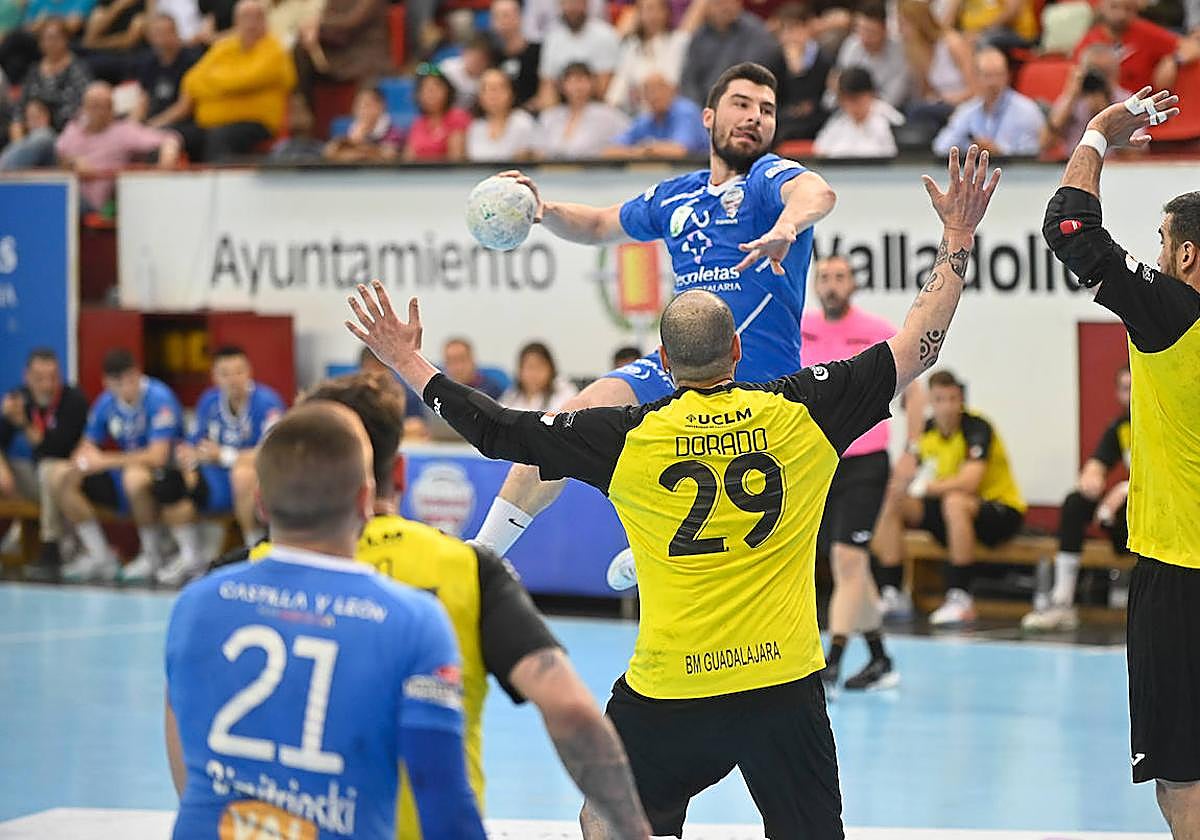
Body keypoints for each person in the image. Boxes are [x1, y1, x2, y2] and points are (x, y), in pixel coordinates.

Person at [346, 142, 1002, 836]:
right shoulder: (803, 412)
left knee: (607, 818)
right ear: (739, 353)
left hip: (671, 689)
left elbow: (499, 429)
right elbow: (920, 343)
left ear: (660, 361)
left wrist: (406, 360)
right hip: (784, 686)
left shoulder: (630, 437)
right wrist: (957, 237)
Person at [217, 373, 650, 839]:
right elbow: (571, 712)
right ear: (398, 473)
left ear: (262, 500)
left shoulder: (222, 586)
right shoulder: (465, 571)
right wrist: (631, 827)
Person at [473, 62, 837, 562]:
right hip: (680, 366)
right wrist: (543, 212)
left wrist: (788, 227)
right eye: (742, 104)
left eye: (767, 110)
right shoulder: (677, 195)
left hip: (756, 382)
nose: (756, 117)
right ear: (708, 117)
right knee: (561, 425)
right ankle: (484, 556)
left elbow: (817, 192)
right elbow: (601, 225)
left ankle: (656, 547)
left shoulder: (768, 180)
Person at [163, 402, 489, 840]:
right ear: (365, 499)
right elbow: (441, 794)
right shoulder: (414, 621)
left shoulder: (196, 605)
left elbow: (185, 756)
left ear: (260, 501)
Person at [1041, 86, 1200, 835]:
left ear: (1187, 255)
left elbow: (1070, 226)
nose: (1159, 255)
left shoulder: (1173, 312)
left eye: (1164, 244)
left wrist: (1102, 128)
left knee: (1184, 777)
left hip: (1182, 574)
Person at [802, 254, 924, 690]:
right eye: (824, 278)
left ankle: (830, 661)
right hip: (820, 461)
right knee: (853, 569)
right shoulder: (804, 328)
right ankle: (879, 657)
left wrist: (912, 450)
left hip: (866, 461)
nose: (832, 285)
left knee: (846, 560)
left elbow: (915, 392)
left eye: (840, 277)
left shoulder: (876, 332)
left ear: (853, 285)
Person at [873, 369, 1027, 625]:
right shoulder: (926, 432)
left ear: (961, 401)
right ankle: (891, 592)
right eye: (940, 400)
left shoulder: (977, 427)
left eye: (952, 399)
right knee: (892, 501)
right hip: (948, 513)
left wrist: (924, 487)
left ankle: (960, 597)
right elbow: (905, 476)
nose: (946, 407)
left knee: (955, 501)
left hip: (998, 511)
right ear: (931, 403)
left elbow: (969, 482)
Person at [48, 348, 183, 583]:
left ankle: (152, 554)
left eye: (131, 379)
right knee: (60, 475)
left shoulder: (159, 398)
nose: (126, 387)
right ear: (107, 382)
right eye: (117, 382)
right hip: (118, 474)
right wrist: (82, 461)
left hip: (163, 479)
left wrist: (105, 461)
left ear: (138, 373)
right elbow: (86, 444)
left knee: (134, 477)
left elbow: (157, 456)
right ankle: (100, 556)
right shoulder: (106, 402)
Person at [154, 346, 285, 586]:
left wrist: (223, 455)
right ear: (215, 377)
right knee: (167, 483)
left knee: (243, 474)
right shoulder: (209, 401)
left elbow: (269, 453)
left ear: (249, 373)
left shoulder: (268, 403)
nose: (233, 379)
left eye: (239, 372)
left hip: (256, 481)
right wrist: (188, 459)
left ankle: (253, 552)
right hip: (215, 479)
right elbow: (195, 443)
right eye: (225, 373)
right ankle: (191, 557)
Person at [1022, 367, 1133, 632]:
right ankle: (1062, 601)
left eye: (1134, 387)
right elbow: (1097, 463)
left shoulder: (1164, 422)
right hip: (1127, 516)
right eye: (1124, 389)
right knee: (1075, 502)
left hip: (1161, 511)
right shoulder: (1121, 427)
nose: (1130, 395)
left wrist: (1122, 490)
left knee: (1122, 503)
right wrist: (1091, 478)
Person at [0, 349, 88, 580]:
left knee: (49, 469)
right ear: (26, 376)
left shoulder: (73, 400)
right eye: (40, 379)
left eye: (52, 377)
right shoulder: (19, 398)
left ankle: (51, 545)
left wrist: (24, 424)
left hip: (68, 479)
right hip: (32, 478)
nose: (47, 385)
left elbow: (57, 450)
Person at [173, 0, 295, 162]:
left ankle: (219, 185)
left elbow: (246, 80)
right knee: (173, 135)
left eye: (257, 18)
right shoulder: (223, 48)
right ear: (236, 22)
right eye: (246, 17)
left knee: (220, 137)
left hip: (256, 123)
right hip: (210, 124)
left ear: (266, 21)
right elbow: (191, 80)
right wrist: (225, 82)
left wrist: (213, 81)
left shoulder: (275, 49)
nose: (251, 24)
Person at [54, 81, 181, 214]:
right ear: (83, 107)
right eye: (91, 106)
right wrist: (72, 162)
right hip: (64, 189)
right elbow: (57, 157)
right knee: (43, 142)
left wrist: (166, 164)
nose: (95, 112)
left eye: (101, 106)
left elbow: (170, 138)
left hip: (90, 203)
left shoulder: (124, 131)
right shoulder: (72, 129)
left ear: (111, 109)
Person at [2, 19, 91, 170]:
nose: (51, 43)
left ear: (66, 40)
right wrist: (19, 142)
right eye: (46, 38)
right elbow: (18, 112)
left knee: (43, 136)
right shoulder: (33, 72)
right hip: (29, 139)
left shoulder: (77, 71)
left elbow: (82, 112)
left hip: (62, 142)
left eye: (55, 38)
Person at [932, 47, 1044, 158]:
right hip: (976, 172)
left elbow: (1032, 154)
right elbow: (941, 147)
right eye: (987, 76)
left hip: (1016, 173)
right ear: (976, 77)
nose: (993, 83)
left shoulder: (1026, 110)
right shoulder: (968, 110)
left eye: (998, 75)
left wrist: (1000, 152)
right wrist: (971, 147)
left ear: (1008, 76)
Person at [1072, 0, 1199, 94]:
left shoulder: (1144, 32)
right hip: (1103, 110)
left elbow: (1193, 47)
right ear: (1102, 7)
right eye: (1114, 7)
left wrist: (1174, 60)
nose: (1121, 15)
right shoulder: (1089, 41)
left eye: (1128, 9)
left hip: (1144, 109)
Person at [680, 0, 780, 107]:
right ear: (708, 6)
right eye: (719, 3)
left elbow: (749, 74)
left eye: (730, 2)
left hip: (743, 103)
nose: (725, 7)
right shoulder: (700, 35)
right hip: (704, 107)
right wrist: (697, 108)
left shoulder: (756, 33)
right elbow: (689, 79)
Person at [606, 0, 697, 115]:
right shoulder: (632, 45)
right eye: (648, 10)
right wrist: (610, 107)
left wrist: (643, 92)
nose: (653, 15)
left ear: (666, 12)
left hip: (671, 111)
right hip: (636, 114)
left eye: (657, 9)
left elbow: (671, 82)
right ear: (639, 14)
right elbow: (619, 86)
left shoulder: (678, 41)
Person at [899, 0, 974, 139]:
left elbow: (976, 90)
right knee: (917, 114)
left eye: (904, 24)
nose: (900, 30)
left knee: (916, 112)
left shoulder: (952, 44)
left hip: (965, 105)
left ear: (918, 23)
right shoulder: (918, 51)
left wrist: (949, 99)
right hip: (940, 109)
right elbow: (927, 92)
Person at [1042, 44, 1131, 156]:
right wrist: (1071, 95)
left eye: (1105, 72)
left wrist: (1105, 117)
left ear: (1116, 73)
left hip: (1112, 166)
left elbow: (1134, 154)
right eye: (1095, 71)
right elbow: (1045, 143)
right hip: (1074, 162)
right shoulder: (1074, 97)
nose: (1099, 78)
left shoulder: (1126, 101)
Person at [536, 61, 630, 159]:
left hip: (595, 171)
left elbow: (630, 141)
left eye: (581, 80)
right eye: (571, 81)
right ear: (562, 85)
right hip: (553, 171)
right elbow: (538, 150)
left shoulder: (607, 114)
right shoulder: (549, 116)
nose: (577, 87)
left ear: (592, 83)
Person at [603, 72, 708, 159]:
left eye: (660, 89)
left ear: (672, 90)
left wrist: (646, 149)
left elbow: (679, 151)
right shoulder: (645, 120)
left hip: (698, 174)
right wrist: (640, 151)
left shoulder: (685, 111)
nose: (655, 95)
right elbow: (609, 151)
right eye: (649, 91)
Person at [536, 0, 620, 109]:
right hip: (562, 110)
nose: (572, 8)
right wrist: (550, 117)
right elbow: (547, 87)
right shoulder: (552, 38)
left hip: (597, 107)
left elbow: (605, 88)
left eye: (577, 3)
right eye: (568, 3)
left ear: (586, 4)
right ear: (560, 6)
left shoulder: (605, 35)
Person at [829, 0, 909, 111]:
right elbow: (836, 87)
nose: (864, 37)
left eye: (871, 32)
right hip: (848, 110)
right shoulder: (852, 44)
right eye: (860, 30)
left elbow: (893, 99)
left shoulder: (900, 53)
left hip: (886, 113)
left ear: (885, 30)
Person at [774, 1, 833, 143]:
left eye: (793, 29)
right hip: (786, 121)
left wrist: (799, 72)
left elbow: (826, 100)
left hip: (816, 123)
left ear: (808, 28)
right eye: (785, 30)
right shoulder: (776, 59)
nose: (789, 36)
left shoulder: (824, 59)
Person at [813, 65, 902, 158]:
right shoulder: (838, 122)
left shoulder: (892, 122)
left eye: (855, 99)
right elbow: (820, 150)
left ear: (870, 94)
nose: (850, 106)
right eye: (845, 100)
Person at [134, 14, 201, 129]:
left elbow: (185, 107)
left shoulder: (191, 60)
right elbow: (143, 100)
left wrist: (152, 125)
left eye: (164, 32)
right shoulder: (149, 62)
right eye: (155, 33)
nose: (160, 38)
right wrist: (133, 125)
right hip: (155, 118)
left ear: (175, 33)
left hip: (184, 122)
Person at [466, 67, 538, 162]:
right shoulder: (475, 126)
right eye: (486, 89)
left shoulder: (524, 122)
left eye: (499, 88)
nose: (492, 94)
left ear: (512, 92)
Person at [402, 64, 470, 163]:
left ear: (447, 90)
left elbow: (456, 159)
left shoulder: (458, 117)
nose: (431, 94)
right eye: (426, 89)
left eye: (435, 88)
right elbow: (408, 158)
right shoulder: (418, 122)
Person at [323, 85, 404, 163]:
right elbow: (330, 152)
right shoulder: (351, 129)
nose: (362, 110)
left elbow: (389, 157)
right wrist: (352, 141)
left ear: (381, 106)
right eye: (358, 105)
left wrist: (356, 146)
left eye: (367, 105)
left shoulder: (394, 133)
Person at [489, 0, 540, 111]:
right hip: (503, 117)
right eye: (496, 16)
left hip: (533, 117)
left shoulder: (538, 51)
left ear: (520, 17)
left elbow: (547, 91)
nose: (501, 21)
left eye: (505, 15)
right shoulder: (492, 56)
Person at [500, 342, 578, 411]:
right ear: (520, 370)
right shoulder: (512, 396)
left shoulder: (564, 392)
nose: (534, 374)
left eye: (539, 367)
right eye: (530, 367)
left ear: (551, 369)